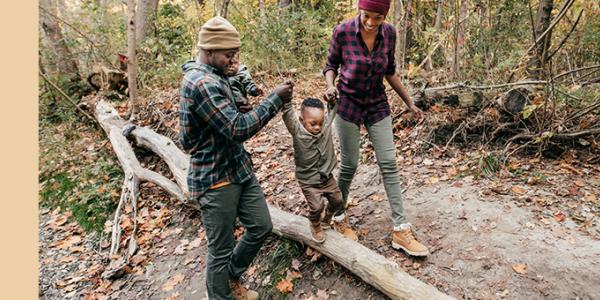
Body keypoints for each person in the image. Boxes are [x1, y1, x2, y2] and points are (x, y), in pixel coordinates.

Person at [179, 16, 294, 299]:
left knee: (261, 226)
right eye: (229, 54)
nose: (234, 60)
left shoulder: (217, 76)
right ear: (209, 51)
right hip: (215, 179)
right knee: (220, 249)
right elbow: (236, 128)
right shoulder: (202, 82)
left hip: (238, 169)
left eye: (236, 54)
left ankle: (229, 277)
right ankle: (221, 294)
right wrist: (274, 99)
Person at [322, 0, 429, 256]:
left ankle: (401, 230)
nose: (370, 22)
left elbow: (390, 72)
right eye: (366, 15)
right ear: (360, 10)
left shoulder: (390, 33)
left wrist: (409, 102)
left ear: (385, 16)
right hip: (347, 104)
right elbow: (330, 66)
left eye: (377, 18)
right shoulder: (343, 31)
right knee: (349, 165)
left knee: (389, 163)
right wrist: (330, 86)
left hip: (376, 104)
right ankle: (337, 216)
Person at [281, 97, 343, 243]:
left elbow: (333, 108)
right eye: (313, 124)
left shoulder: (325, 126)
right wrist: (287, 98)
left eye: (320, 123)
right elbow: (288, 113)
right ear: (302, 120)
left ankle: (327, 216)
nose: (317, 127)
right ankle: (315, 223)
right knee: (316, 206)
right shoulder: (297, 130)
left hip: (326, 177)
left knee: (338, 200)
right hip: (308, 180)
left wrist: (333, 99)